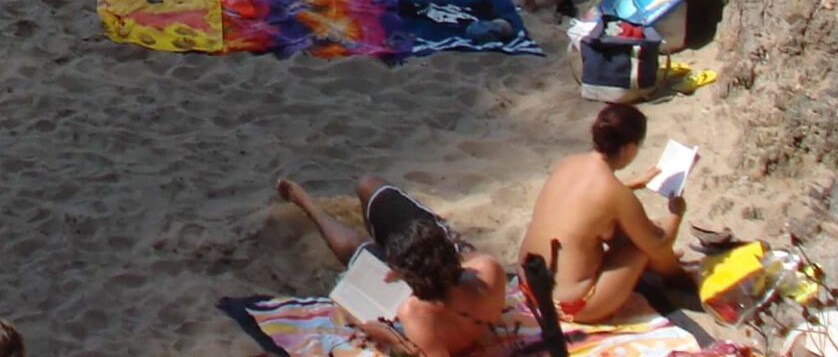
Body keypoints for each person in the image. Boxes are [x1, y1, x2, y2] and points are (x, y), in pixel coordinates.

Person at [276, 177, 513, 357]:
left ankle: (309, 205)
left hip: (428, 271)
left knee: (359, 246)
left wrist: (390, 338)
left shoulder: (417, 315)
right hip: (433, 257)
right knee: (368, 188)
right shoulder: (488, 270)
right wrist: (431, 254)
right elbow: (460, 257)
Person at [518, 105, 689, 325]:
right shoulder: (615, 192)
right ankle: (679, 280)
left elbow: (584, 204)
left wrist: (633, 183)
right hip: (569, 306)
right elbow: (657, 244)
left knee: (613, 226)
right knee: (645, 240)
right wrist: (677, 213)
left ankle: (672, 274)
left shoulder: (568, 163)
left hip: (530, 286)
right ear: (628, 148)